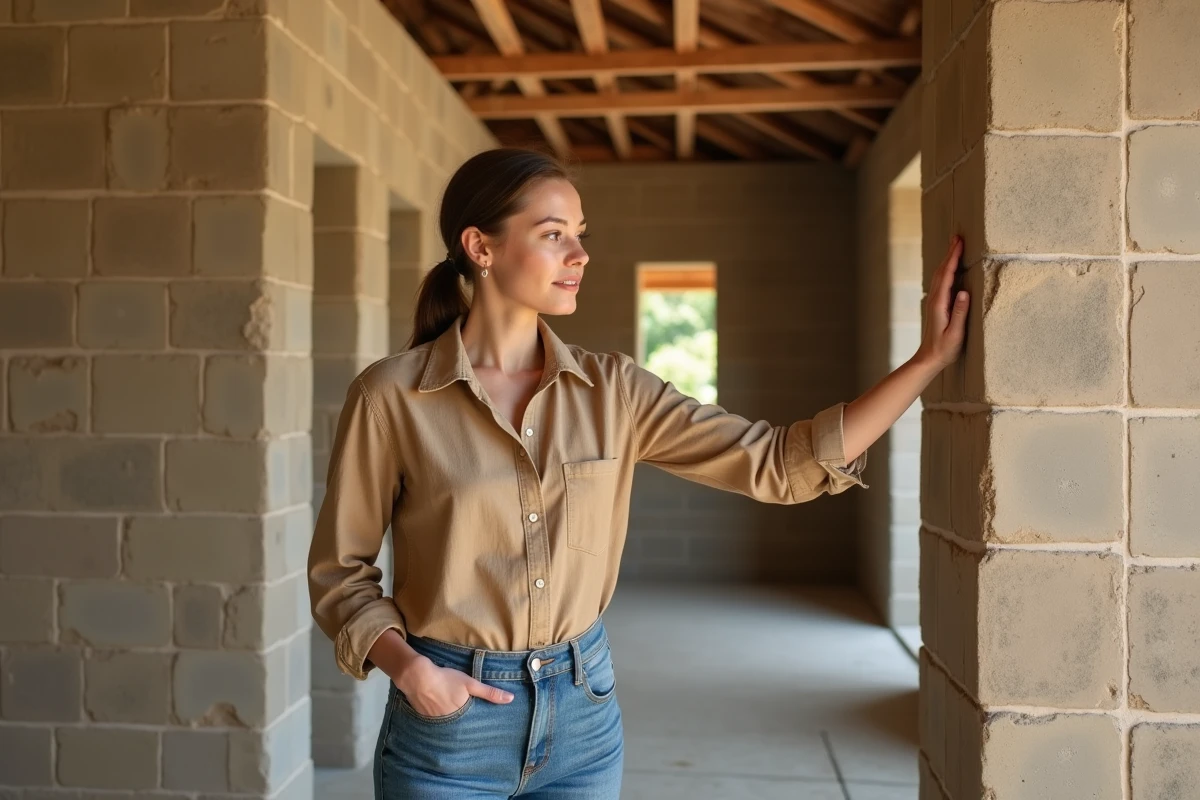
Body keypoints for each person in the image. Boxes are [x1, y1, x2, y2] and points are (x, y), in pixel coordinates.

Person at [307, 147, 969, 799]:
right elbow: (341, 573)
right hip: (447, 729)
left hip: (583, 720)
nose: (580, 255)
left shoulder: (614, 390)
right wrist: (413, 672)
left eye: (581, 235)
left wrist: (926, 362)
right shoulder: (392, 396)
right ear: (481, 247)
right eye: (553, 235)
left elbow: (778, 464)